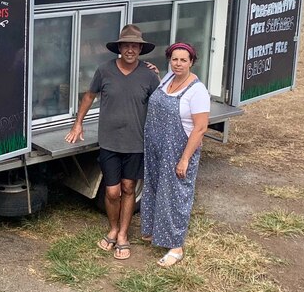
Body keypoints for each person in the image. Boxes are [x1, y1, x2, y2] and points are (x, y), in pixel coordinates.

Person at [65, 24, 159, 260]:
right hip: (109, 141)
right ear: (119, 48)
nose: (130, 50)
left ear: (140, 49)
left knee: (129, 188)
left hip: (136, 143)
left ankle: (123, 234)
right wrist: (78, 123)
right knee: (112, 190)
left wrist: (160, 76)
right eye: (126, 45)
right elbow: (89, 96)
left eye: (134, 46)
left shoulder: (149, 75)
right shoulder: (104, 70)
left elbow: (162, 100)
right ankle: (113, 228)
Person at [140, 42, 211, 267]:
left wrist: (185, 159)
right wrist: (157, 74)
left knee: (176, 195)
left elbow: (200, 128)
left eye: (183, 60)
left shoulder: (197, 91)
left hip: (179, 150)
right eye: (174, 59)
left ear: (191, 62)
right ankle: (155, 231)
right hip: (156, 147)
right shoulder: (168, 79)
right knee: (154, 187)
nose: (178, 63)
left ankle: (176, 246)